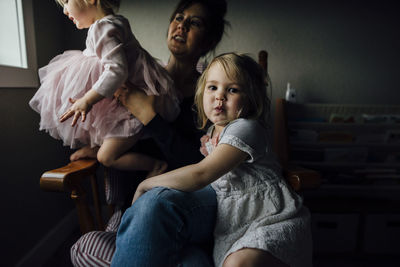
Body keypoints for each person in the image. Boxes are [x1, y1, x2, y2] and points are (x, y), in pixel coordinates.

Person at [114, 53, 313, 267]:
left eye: (232, 90)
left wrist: (146, 184)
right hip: (231, 219)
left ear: (250, 99)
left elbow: (201, 174)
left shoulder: (246, 127)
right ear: (201, 93)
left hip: (264, 216)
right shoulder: (211, 134)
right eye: (213, 87)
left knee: (238, 264)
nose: (220, 97)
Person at [70, 0, 229, 266]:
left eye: (195, 23)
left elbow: (204, 165)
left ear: (209, 41)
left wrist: (150, 116)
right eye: (178, 18)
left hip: (183, 206)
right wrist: (101, 149)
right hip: (135, 208)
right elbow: (126, 134)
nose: (182, 25)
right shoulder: (140, 77)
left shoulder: (212, 97)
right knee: (85, 246)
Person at [29, 0, 180, 175]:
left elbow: (116, 70)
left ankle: (156, 165)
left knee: (106, 158)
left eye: (67, 2)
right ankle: (99, 147)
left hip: (134, 106)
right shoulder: (115, 22)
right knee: (102, 124)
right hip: (128, 100)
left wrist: (88, 99)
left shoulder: (102, 28)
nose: (64, 11)